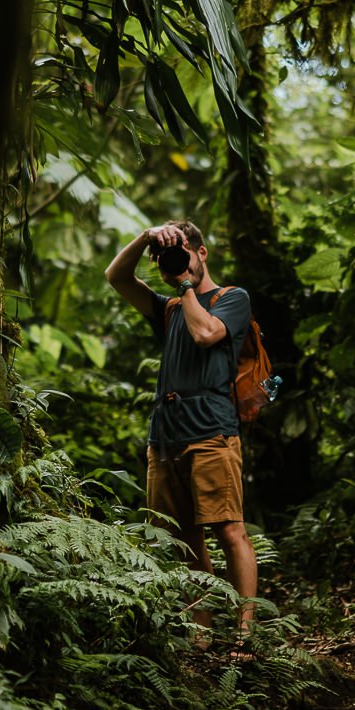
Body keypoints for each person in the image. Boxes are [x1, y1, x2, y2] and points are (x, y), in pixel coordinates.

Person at [104, 219, 257, 642]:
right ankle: (201, 637)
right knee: (183, 540)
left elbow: (207, 333)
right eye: (165, 260)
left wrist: (187, 286)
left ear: (201, 253)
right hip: (166, 436)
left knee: (229, 529)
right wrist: (147, 237)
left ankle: (245, 635)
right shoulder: (169, 308)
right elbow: (115, 276)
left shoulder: (232, 298)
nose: (173, 265)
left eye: (182, 253)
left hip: (212, 430)